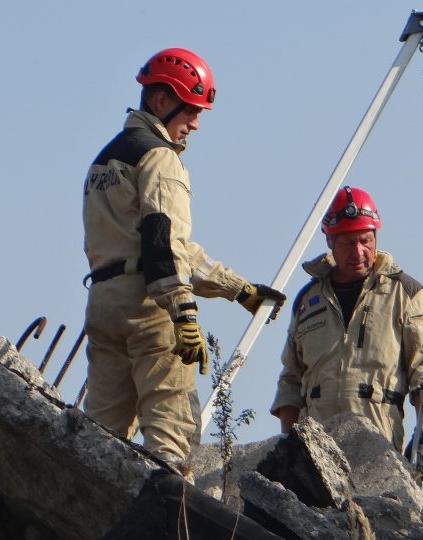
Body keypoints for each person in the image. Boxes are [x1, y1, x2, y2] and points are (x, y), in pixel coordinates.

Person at [81, 47, 285, 468]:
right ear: (161, 101)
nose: (194, 124)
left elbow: (164, 244)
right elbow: (163, 244)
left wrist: (237, 289)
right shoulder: (160, 157)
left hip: (103, 304)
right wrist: (184, 313)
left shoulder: (106, 159)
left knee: (98, 438)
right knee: (170, 441)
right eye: (191, 110)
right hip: (149, 308)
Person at [270, 186, 423, 481]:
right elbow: (291, 379)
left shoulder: (405, 293)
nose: (359, 251)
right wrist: (287, 446)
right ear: (330, 241)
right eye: (349, 242)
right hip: (316, 449)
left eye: (366, 240)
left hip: (379, 445)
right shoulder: (308, 300)